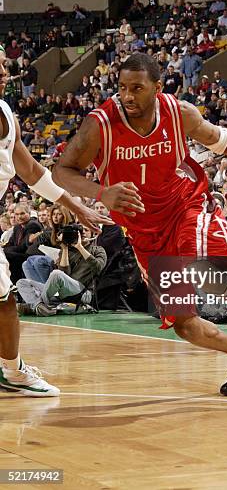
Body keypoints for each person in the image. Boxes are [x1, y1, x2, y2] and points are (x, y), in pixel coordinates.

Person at [53, 53, 227, 397]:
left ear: (157, 88)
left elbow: (223, 140)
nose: (127, 96)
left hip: (186, 205)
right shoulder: (100, 124)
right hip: (144, 230)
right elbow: (62, 171)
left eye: (136, 88)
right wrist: (101, 192)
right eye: (121, 88)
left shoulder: (179, 112)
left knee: (204, 258)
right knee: (185, 326)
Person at [0, 46, 109, 397]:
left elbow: (32, 172)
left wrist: (76, 206)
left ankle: (12, 372)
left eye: (4, 65)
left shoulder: (6, 114)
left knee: (4, 300)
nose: (4, 72)